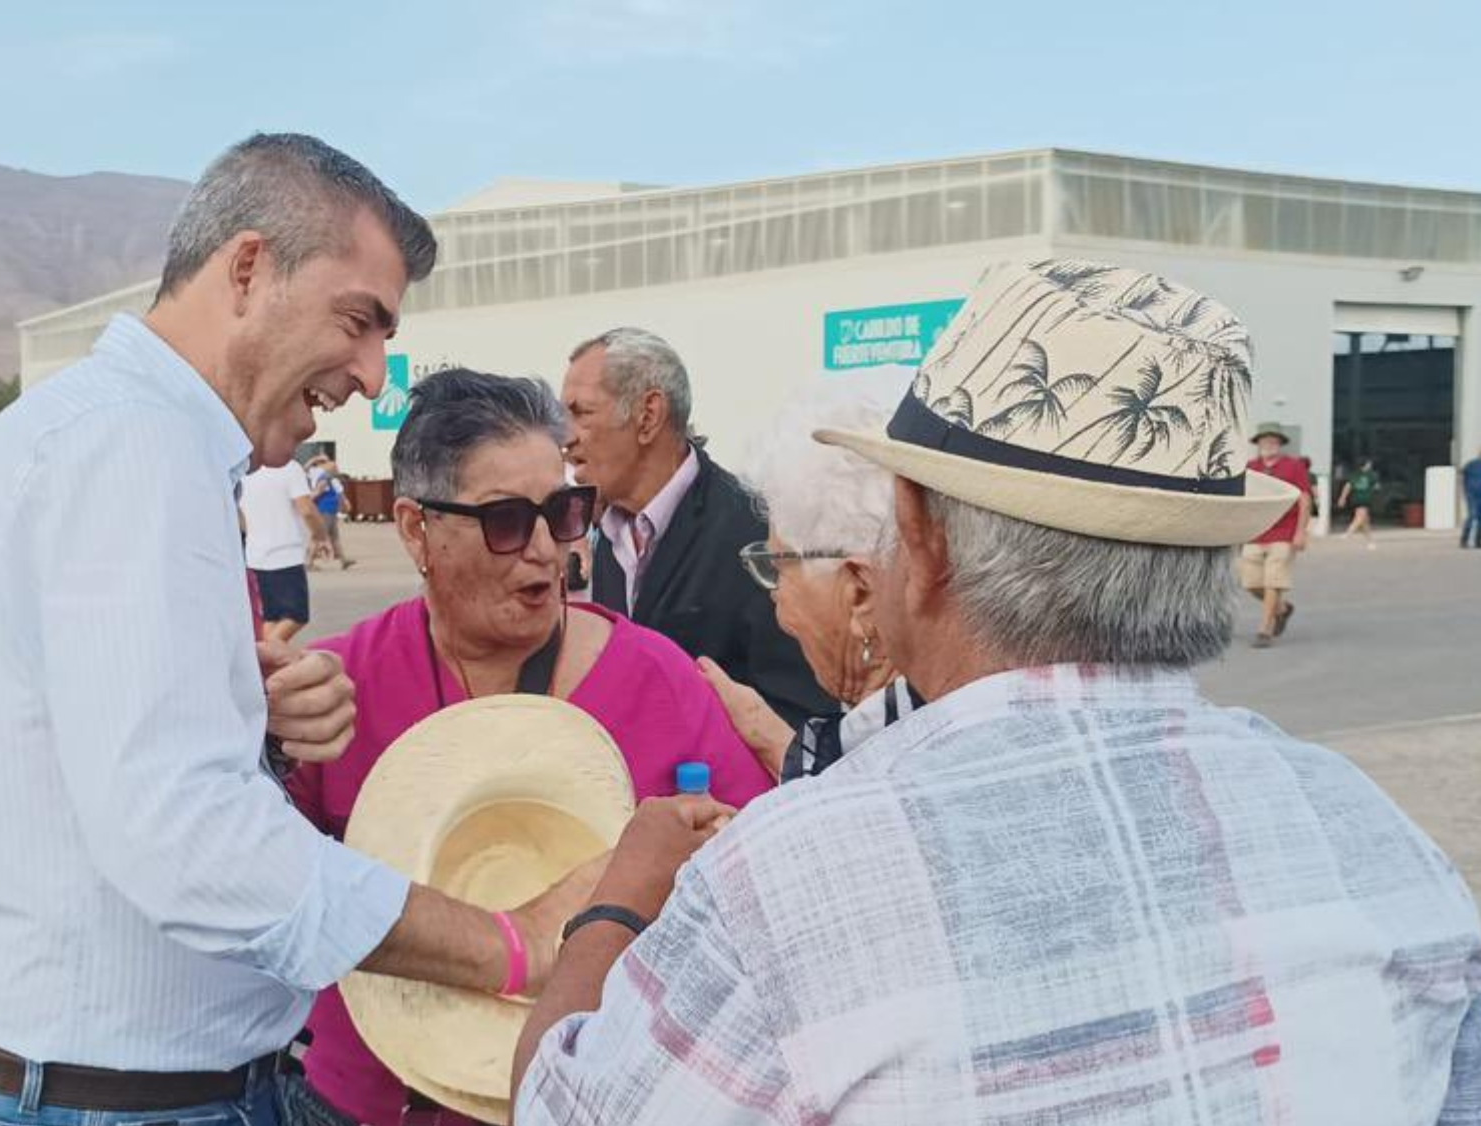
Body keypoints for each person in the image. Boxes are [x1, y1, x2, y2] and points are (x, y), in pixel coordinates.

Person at [512, 260, 1481, 1124]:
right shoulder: (1376, 839)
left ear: (920, 538)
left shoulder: (790, 882)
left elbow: (561, 1108)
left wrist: (615, 905)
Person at [0, 133, 618, 1126]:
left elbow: (88, 753)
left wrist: (242, 712)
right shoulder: (132, 451)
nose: (372, 375)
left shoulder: (116, 438)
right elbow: (186, 835)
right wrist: (507, 942)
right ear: (247, 269)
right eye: (357, 321)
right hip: (113, 1103)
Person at [284, 369, 775, 1126]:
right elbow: (262, 885)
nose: (547, 550)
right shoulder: (337, 688)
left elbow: (758, 880)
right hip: (369, 1103)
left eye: (563, 511)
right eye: (507, 520)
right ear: (415, 529)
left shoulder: (659, 679)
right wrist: (262, 732)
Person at [562, 327, 834, 732]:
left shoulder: (755, 532)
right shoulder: (605, 535)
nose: (565, 437)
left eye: (580, 412)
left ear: (648, 416)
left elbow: (799, 712)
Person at [694, 369, 919, 782]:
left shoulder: (897, 768)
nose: (775, 597)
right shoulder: (948, 710)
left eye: (779, 567)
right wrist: (770, 737)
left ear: (860, 594)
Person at [1243, 423, 1312, 648]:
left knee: (1273, 581)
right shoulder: (1251, 468)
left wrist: (1301, 532)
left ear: (1280, 443)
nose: (1269, 444)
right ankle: (1281, 609)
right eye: (1264, 440)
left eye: (1273, 440)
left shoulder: (1294, 466)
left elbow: (1304, 499)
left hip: (1284, 532)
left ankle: (1265, 629)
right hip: (1256, 532)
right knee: (1251, 583)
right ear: (1258, 443)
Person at [241, 458, 323, 642]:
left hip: (255, 555)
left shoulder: (246, 471)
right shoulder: (289, 468)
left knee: (271, 617)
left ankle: (264, 651)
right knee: (296, 616)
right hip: (285, 555)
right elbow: (307, 510)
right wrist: (321, 536)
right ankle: (262, 653)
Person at [307, 453, 356, 569]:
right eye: (334, 468)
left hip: (330, 511)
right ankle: (309, 563)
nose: (336, 469)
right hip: (325, 511)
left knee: (334, 537)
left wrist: (343, 504)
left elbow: (339, 495)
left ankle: (344, 561)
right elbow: (317, 493)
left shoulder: (331, 479)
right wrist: (306, 502)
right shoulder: (324, 479)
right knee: (318, 536)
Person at [1338, 456, 1379, 548]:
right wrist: (1342, 498)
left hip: (1360, 499)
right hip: (1361, 499)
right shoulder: (1369, 475)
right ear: (1365, 465)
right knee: (1360, 519)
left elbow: (1347, 487)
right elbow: (1348, 486)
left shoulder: (1360, 475)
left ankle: (1371, 542)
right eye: (1369, 463)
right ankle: (1348, 533)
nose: (1370, 465)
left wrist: (1342, 498)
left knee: (1364, 522)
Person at [1464, 447, 1481, 550]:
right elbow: (1463, 478)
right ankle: (1464, 540)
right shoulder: (1471, 465)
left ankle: (1478, 541)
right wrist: (1465, 491)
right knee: (1472, 516)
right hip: (1472, 495)